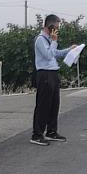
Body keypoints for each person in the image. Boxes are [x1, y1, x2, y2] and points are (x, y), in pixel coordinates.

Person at [31, 14, 76, 146]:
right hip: (44, 74)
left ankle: (51, 131)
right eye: (56, 27)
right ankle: (37, 134)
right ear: (49, 26)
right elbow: (48, 55)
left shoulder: (48, 40)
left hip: (53, 73)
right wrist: (55, 41)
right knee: (43, 105)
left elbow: (56, 53)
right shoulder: (40, 39)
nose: (57, 30)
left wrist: (70, 50)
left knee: (54, 104)